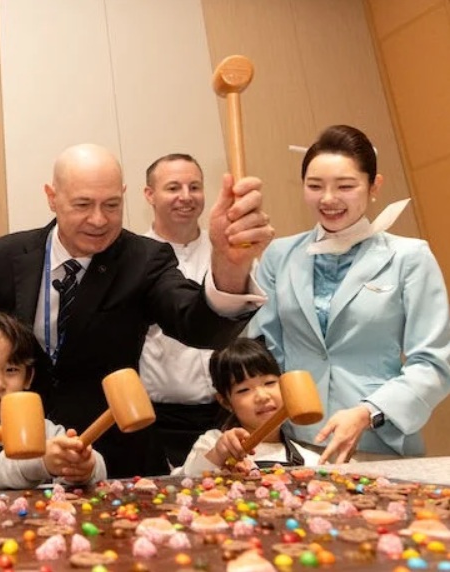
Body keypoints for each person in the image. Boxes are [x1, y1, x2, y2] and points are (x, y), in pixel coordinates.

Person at [0, 143, 273, 478]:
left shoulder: (143, 259)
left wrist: (229, 264)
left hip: (114, 456)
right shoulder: (8, 254)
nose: (99, 220)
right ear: (52, 197)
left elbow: (198, 326)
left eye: (112, 205)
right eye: (83, 204)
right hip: (17, 455)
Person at [249, 124, 450, 463]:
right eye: (315, 186)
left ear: (374, 186)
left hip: (378, 440)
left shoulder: (409, 257)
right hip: (295, 442)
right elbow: (263, 352)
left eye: (345, 186)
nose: (328, 199)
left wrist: (369, 411)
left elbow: (433, 363)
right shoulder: (279, 255)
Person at [0, 311, 106, 490]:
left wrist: (85, 467)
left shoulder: (46, 431)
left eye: (11, 370)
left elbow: (95, 469)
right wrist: (39, 463)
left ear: (28, 377)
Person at [139, 154, 226, 470]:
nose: (186, 197)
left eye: (195, 187)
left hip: (226, 414)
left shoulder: (227, 253)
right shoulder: (134, 258)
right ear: (150, 195)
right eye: (173, 188)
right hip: (161, 420)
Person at [175, 337, 320, 477]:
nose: (262, 396)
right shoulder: (212, 443)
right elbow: (183, 481)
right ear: (225, 402)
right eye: (244, 390)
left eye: (269, 383)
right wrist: (217, 456)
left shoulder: (310, 460)